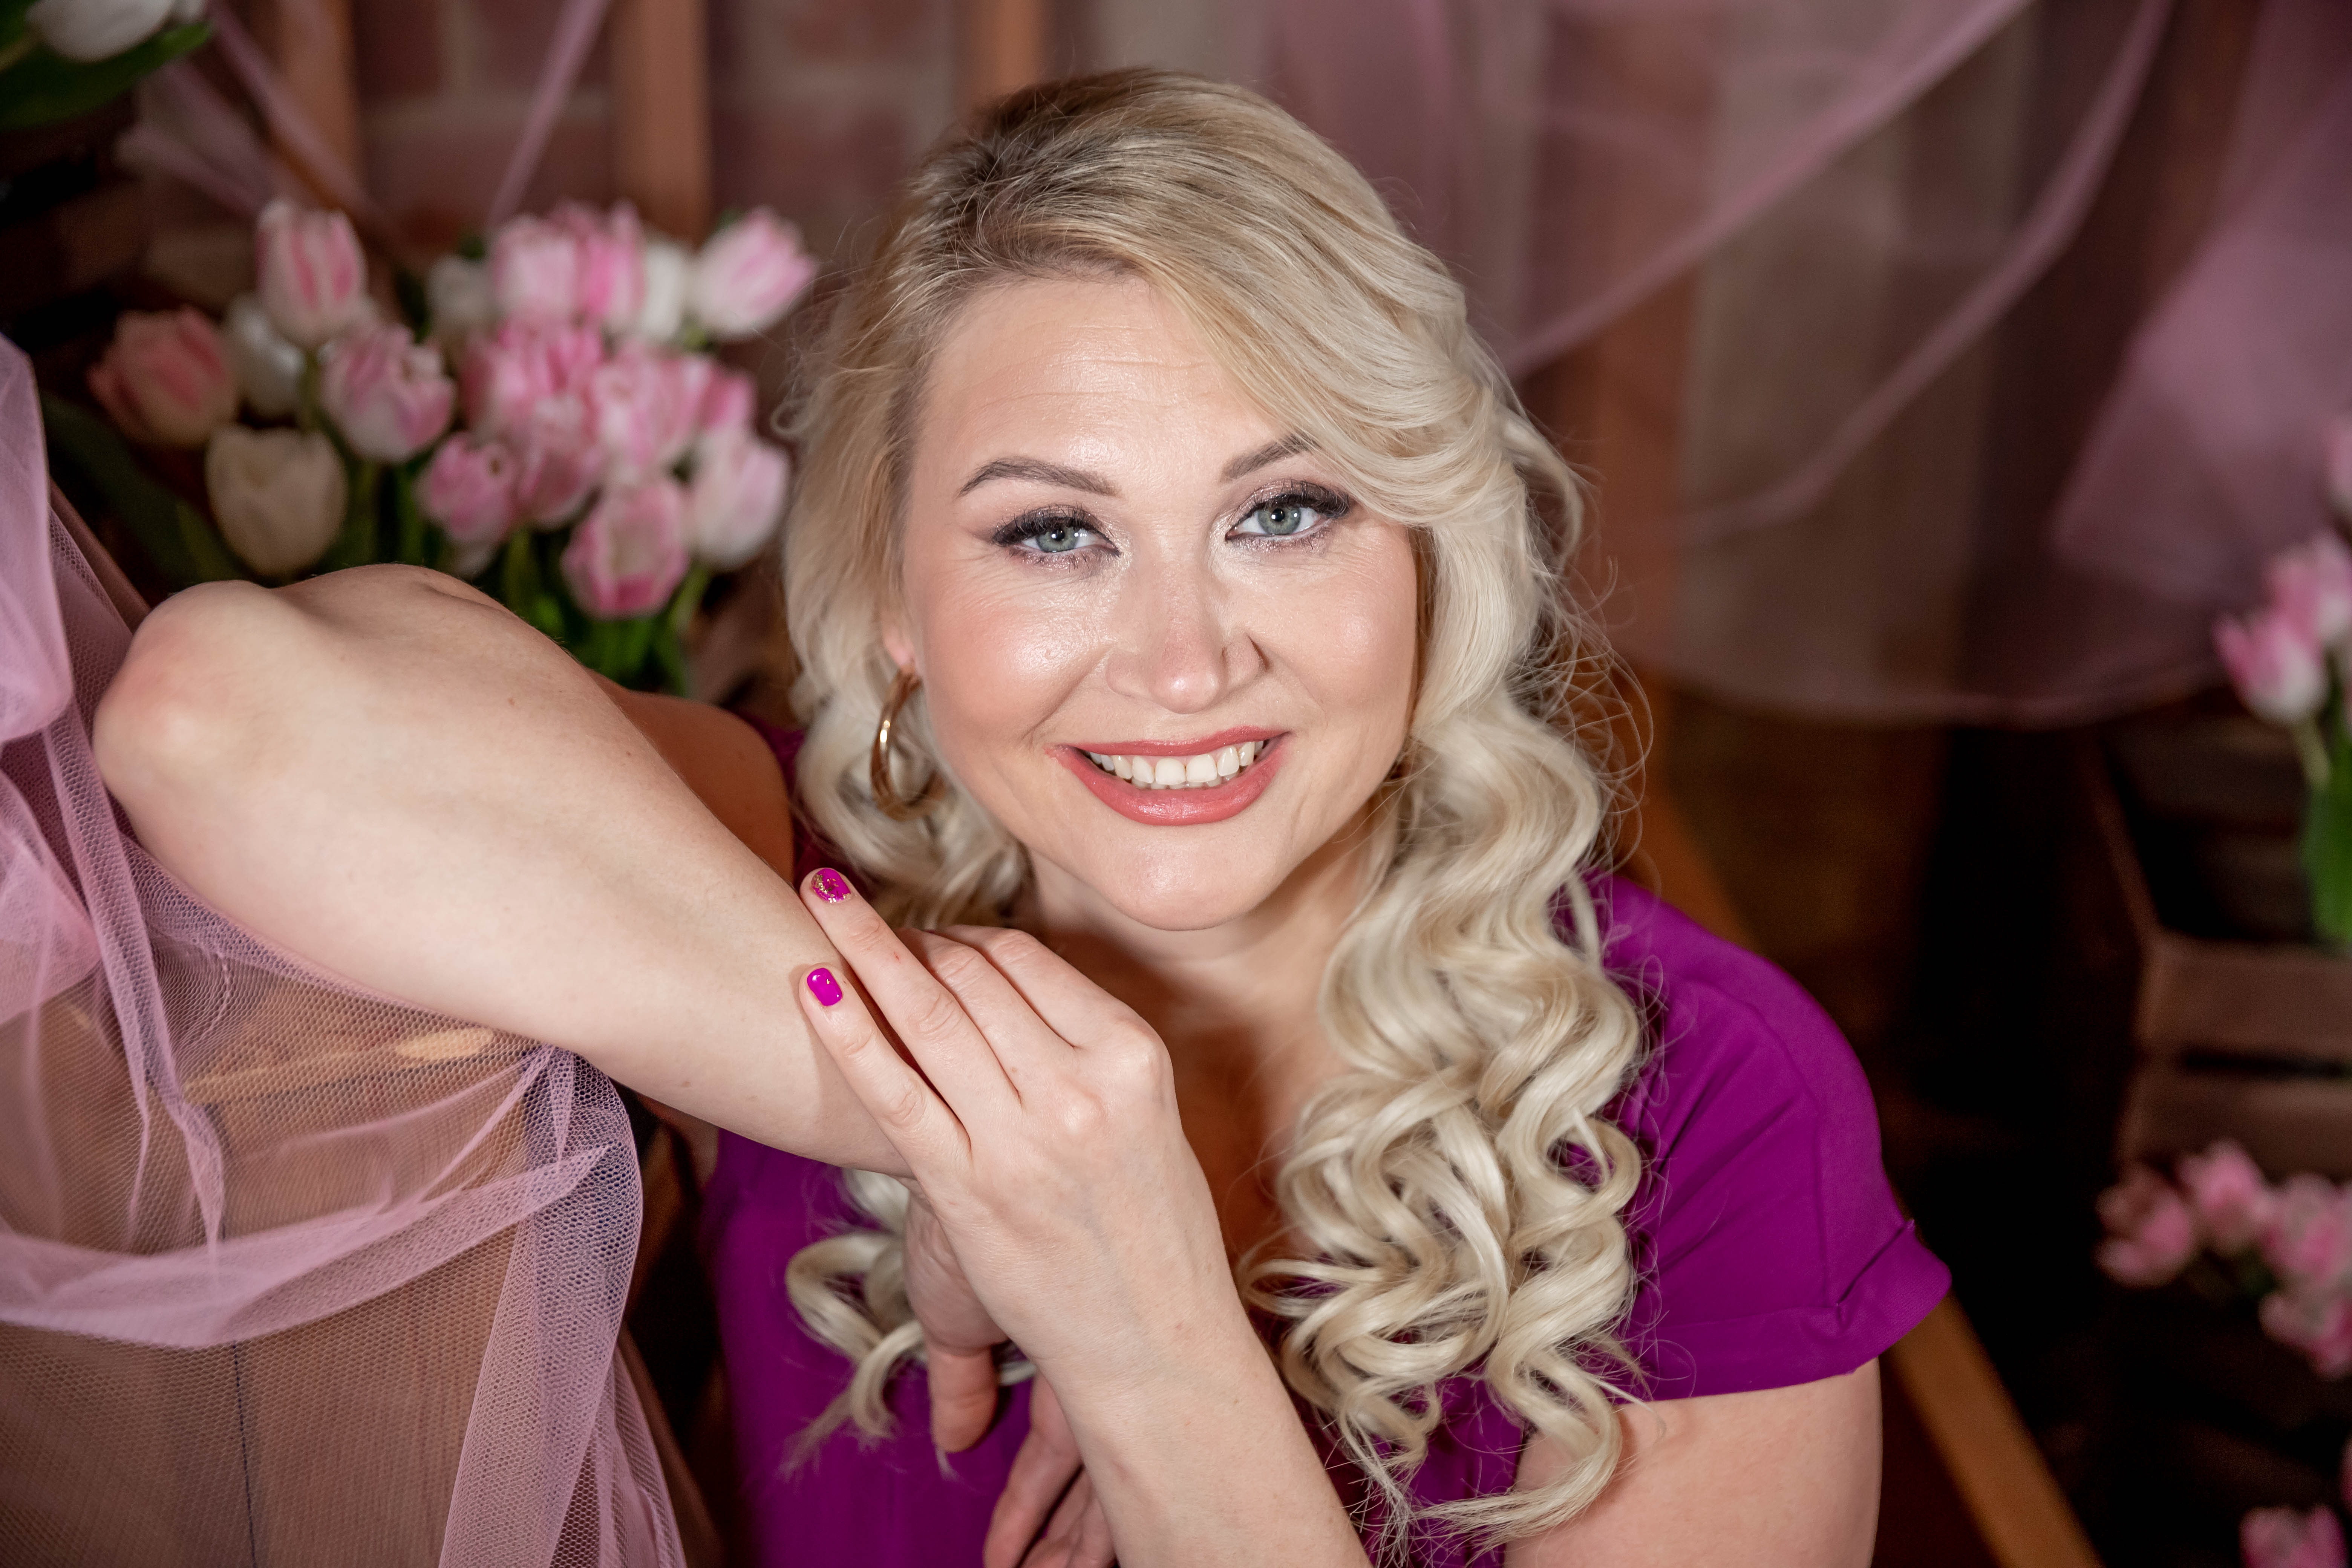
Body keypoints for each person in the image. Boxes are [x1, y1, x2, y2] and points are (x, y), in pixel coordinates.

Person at [95, 70, 1946, 1568]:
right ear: (896, 603)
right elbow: (213, 716)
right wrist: (968, 1128)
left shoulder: (1704, 1101)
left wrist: (1139, 1321)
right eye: (1054, 532)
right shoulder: (790, 886)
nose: (1185, 660)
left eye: (1286, 510)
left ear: (1427, 554)